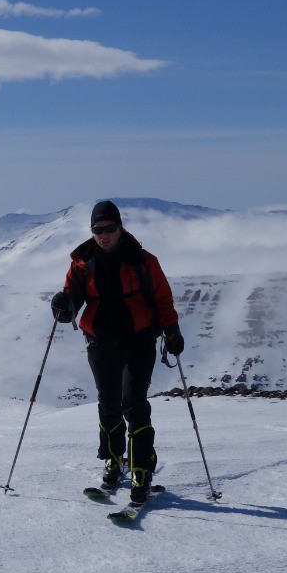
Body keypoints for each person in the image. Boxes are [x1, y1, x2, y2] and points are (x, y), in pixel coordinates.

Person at [50, 200, 183, 505]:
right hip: (100, 341)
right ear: (92, 231)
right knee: (109, 404)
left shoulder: (143, 261)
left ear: (120, 227)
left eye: (109, 228)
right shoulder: (82, 263)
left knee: (134, 403)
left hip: (139, 339)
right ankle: (113, 458)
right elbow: (73, 298)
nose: (104, 234)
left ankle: (141, 469)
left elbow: (163, 298)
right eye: (98, 229)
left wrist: (171, 330)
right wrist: (63, 306)